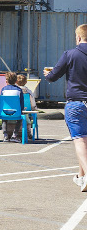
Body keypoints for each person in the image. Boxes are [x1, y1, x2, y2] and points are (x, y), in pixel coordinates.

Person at [43, 24, 87, 192]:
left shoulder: (70, 54)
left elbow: (53, 77)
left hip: (76, 102)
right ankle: (81, 177)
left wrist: (48, 74)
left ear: (78, 38)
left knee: (79, 140)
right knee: (86, 141)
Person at [0, 72, 26, 141]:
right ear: (16, 81)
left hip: (4, 112)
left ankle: (5, 135)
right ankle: (15, 134)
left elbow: (1, 102)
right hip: (16, 112)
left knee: (4, 119)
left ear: (6, 81)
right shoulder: (19, 90)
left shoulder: (3, 89)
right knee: (20, 118)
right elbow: (21, 104)